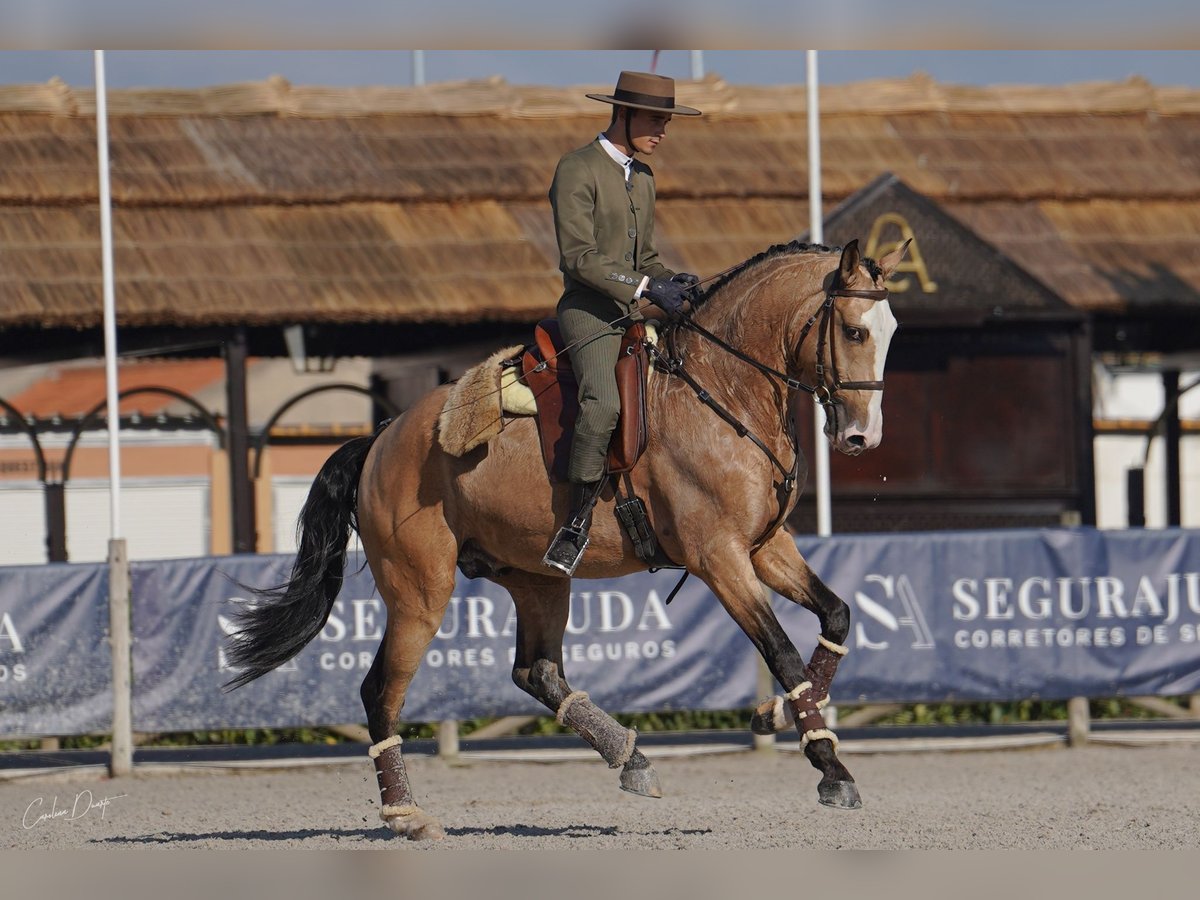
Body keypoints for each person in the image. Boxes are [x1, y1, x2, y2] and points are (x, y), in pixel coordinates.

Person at [542, 70, 702, 576]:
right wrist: (646, 288)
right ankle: (575, 522)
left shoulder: (645, 177)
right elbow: (579, 258)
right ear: (623, 114)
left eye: (666, 121)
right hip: (589, 310)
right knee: (603, 403)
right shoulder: (577, 169)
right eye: (655, 119)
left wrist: (669, 279)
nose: (662, 130)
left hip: (630, 308)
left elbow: (647, 256)